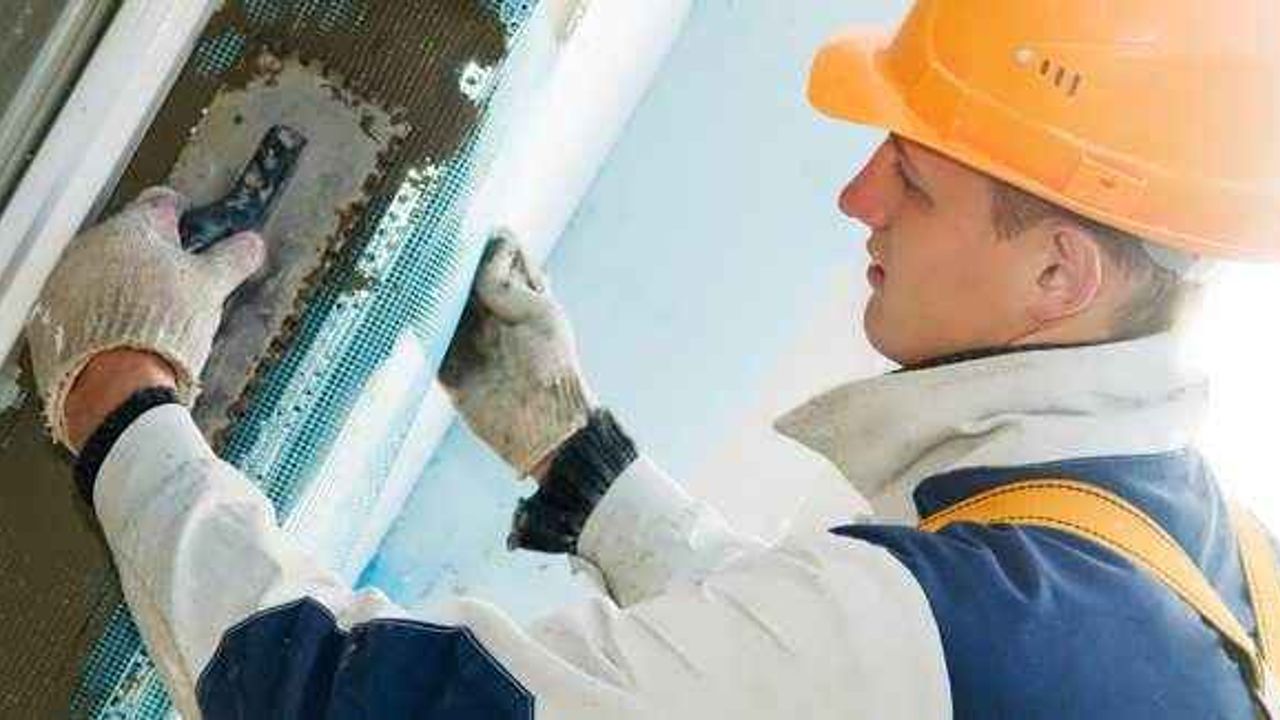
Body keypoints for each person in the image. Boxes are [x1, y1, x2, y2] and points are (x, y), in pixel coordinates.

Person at [23, 0, 1280, 717]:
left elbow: (341, 700)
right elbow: (819, 664)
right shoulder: (1177, 553)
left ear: (1058, 274)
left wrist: (119, 394)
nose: (855, 199)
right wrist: (578, 461)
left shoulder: (968, 624)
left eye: (911, 181)